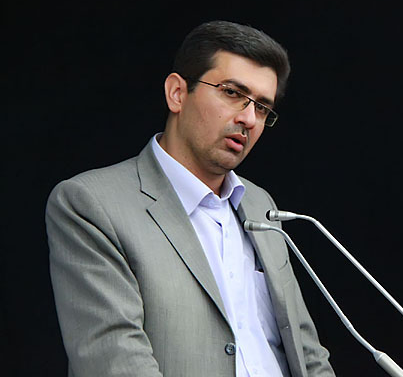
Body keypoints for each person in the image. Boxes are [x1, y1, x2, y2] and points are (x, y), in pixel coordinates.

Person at [46, 20, 335, 377]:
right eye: (232, 92)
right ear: (177, 93)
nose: (248, 118)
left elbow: (308, 355)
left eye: (262, 108)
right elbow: (116, 363)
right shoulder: (92, 204)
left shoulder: (261, 206)